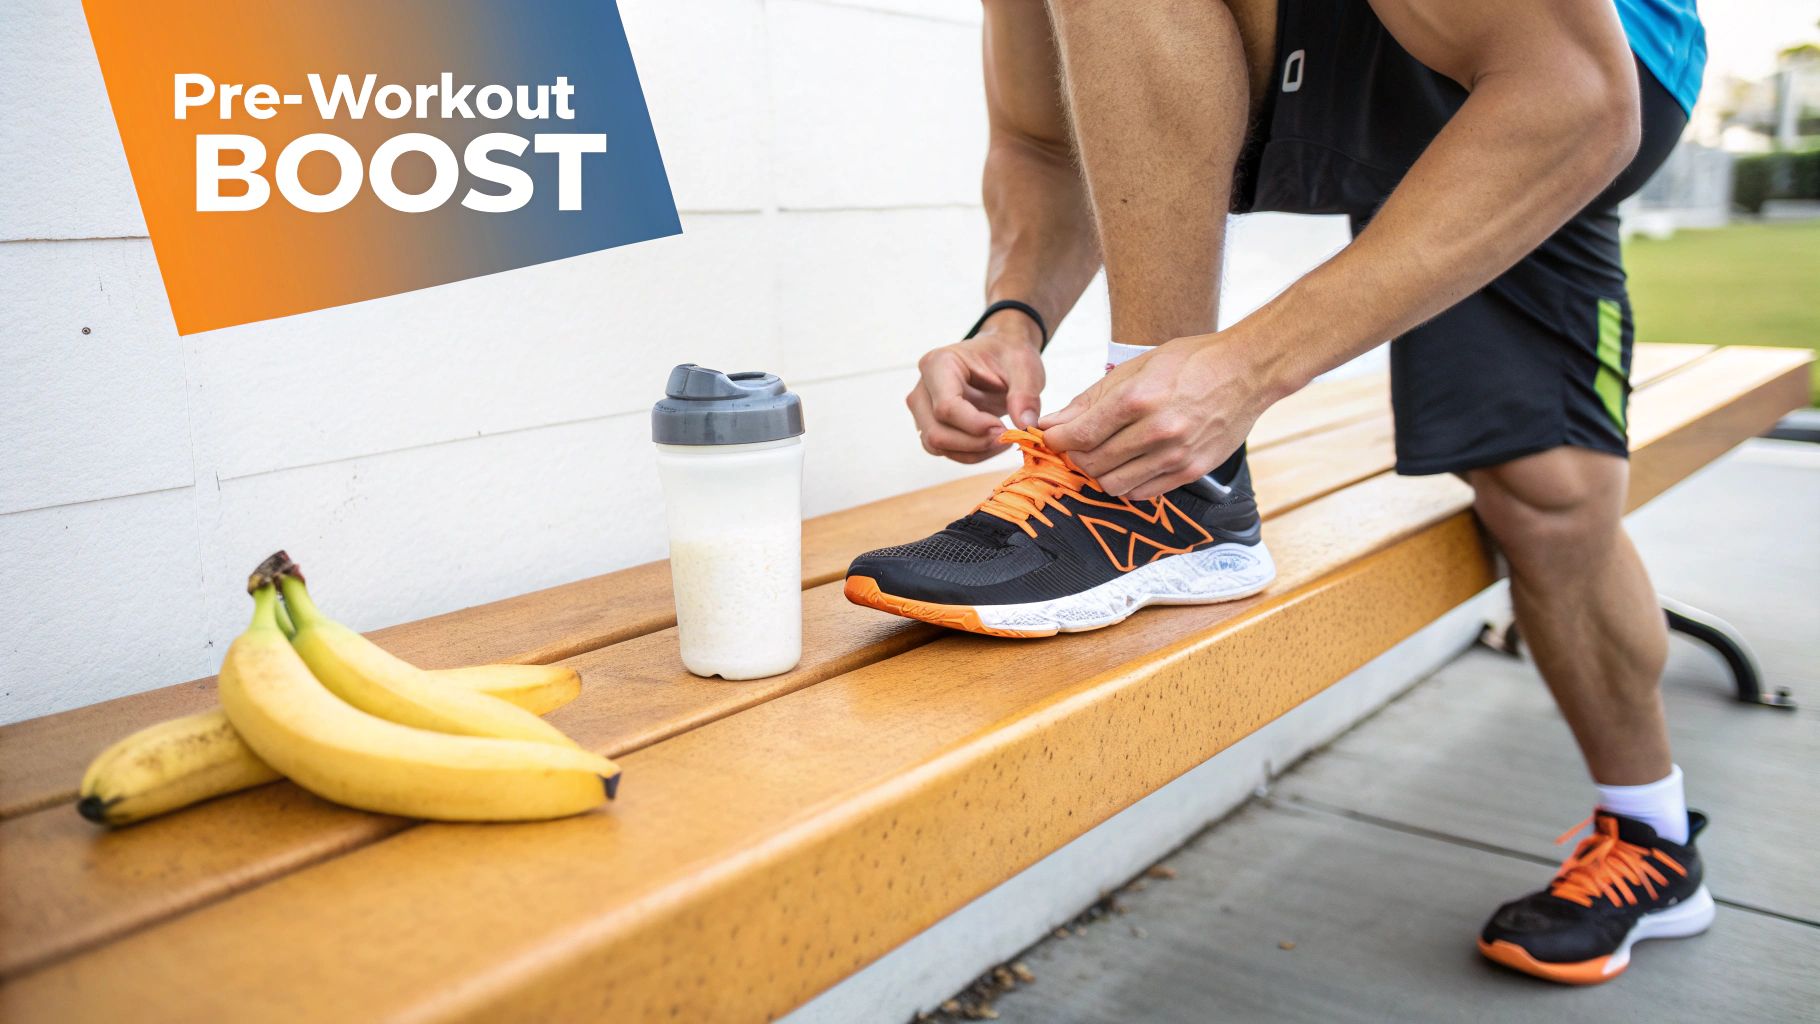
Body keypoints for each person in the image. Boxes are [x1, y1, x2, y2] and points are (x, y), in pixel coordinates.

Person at [843, 0, 1712, 985]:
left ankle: (1651, 837)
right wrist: (1011, 320)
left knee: (1548, 493)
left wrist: (1246, 370)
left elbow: (1581, 99)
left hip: (1584, 67)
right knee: (1541, 485)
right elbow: (1047, 144)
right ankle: (1178, 490)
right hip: (1428, 61)